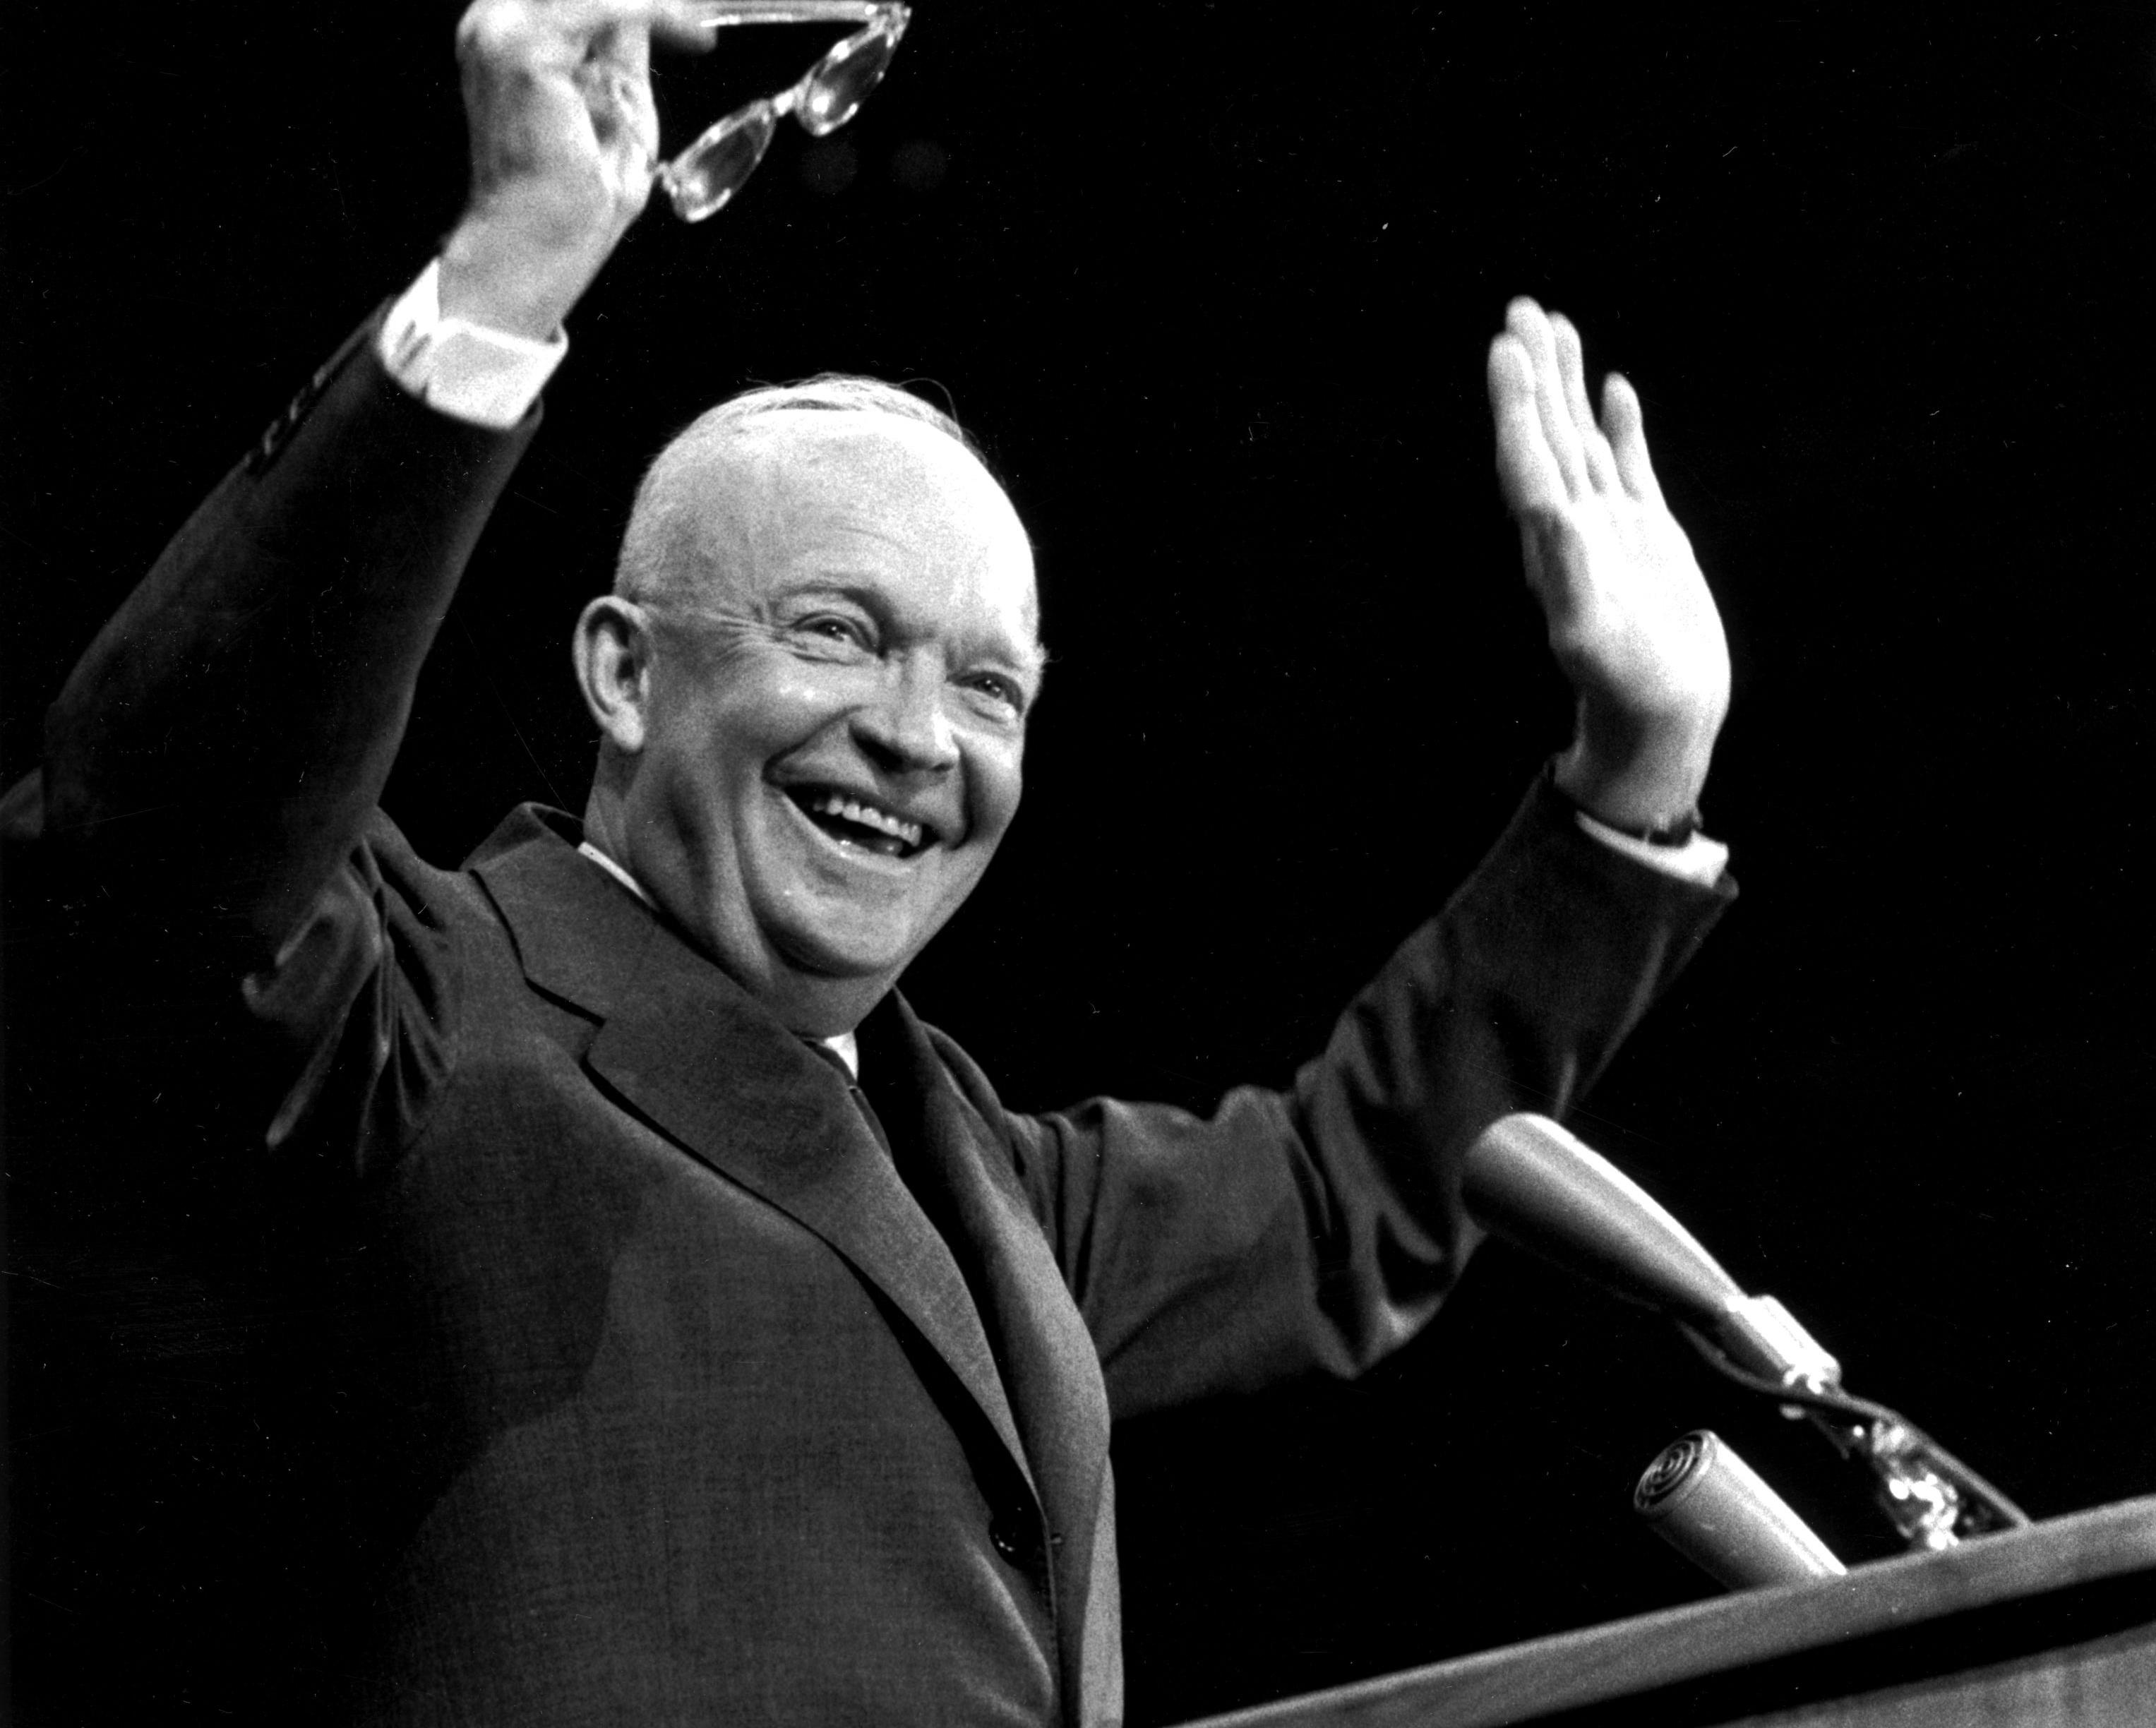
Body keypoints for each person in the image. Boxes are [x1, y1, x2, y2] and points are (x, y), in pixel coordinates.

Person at [25, 1, 1736, 1722]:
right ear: (623, 671)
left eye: (988, 684)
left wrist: (1637, 768)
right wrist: (504, 280)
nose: (925, 735)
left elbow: (1330, 1194)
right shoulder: (415, 1008)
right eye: (840, 634)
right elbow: (169, 834)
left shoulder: (978, 1173)